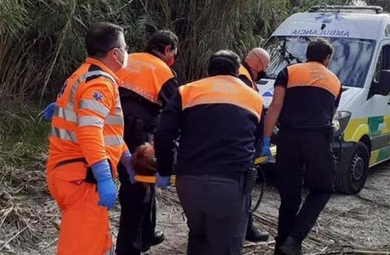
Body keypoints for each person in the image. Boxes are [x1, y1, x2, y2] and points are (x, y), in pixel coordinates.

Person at [154, 50, 264, 255]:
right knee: (226, 245)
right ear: (236, 71)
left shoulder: (186, 91)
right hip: (231, 185)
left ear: (209, 70)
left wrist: (164, 170)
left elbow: (163, 133)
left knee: (198, 235)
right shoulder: (254, 98)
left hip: (189, 184)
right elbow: (257, 142)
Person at [45, 22, 133, 255]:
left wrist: (124, 156)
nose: (127, 52)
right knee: (84, 249)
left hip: (68, 173)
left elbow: (103, 128)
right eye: (125, 47)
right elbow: (90, 129)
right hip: (82, 179)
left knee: (96, 242)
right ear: (115, 53)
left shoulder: (82, 75)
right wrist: (104, 176)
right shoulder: (101, 82)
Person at [263, 38, 342, 255]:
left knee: (289, 197)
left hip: (288, 138)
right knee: (323, 188)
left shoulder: (289, 72)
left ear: (307, 54)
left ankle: (282, 248)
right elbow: (331, 115)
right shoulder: (335, 81)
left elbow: (275, 107)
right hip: (317, 140)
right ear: (327, 59)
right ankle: (294, 239)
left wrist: (265, 140)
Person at [115, 30, 179, 255]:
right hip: (136, 136)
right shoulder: (163, 71)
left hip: (110, 131)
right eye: (174, 53)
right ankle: (128, 248)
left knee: (144, 184)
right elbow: (176, 108)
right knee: (137, 191)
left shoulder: (126, 59)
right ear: (168, 50)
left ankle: (147, 233)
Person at [238, 47, 271, 243]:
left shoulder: (241, 74)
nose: (265, 71)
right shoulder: (244, 80)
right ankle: (246, 228)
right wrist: (266, 137)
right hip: (241, 143)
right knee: (245, 184)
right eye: (265, 67)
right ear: (259, 65)